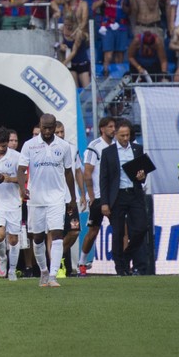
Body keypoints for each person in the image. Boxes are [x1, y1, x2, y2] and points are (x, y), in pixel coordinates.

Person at [23, 114, 79, 287]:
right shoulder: (29, 145)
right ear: (40, 126)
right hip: (35, 199)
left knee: (57, 234)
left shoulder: (63, 146)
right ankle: (44, 271)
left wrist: (72, 198)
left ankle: (53, 274)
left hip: (57, 197)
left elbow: (69, 172)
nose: (47, 131)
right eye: (44, 127)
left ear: (55, 127)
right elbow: (21, 169)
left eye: (50, 128)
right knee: (38, 237)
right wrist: (21, 188)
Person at [98, 119, 151, 276]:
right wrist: (104, 203)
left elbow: (143, 173)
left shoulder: (137, 149)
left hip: (134, 193)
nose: (125, 138)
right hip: (117, 196)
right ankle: (120, 267)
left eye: (127, 135)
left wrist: (142, 176)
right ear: (116, 136)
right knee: (118, 232)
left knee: (141, 228)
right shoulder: (108, 153)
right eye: (122, 136)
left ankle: (127, 255)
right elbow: (104, 179)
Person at [77, 116, 117, 274]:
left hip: (113, 196)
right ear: (102, 129)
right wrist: (92, 196)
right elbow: (87, 173)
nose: (113, 129)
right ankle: (82, 262)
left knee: (122, 230)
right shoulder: (94, 147)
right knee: (93, 230)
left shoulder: (116, 146)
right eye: (110, 126)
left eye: (114, 126)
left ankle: (123, 264)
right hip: (98, 197)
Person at [0, 129, 24, 281]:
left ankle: (12, 271)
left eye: (4, 145)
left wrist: (9, 179)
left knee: (14, 239)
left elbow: (25, 176)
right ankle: (2, 258)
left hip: (13, 202)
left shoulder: (16, 156)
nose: (1, 148)